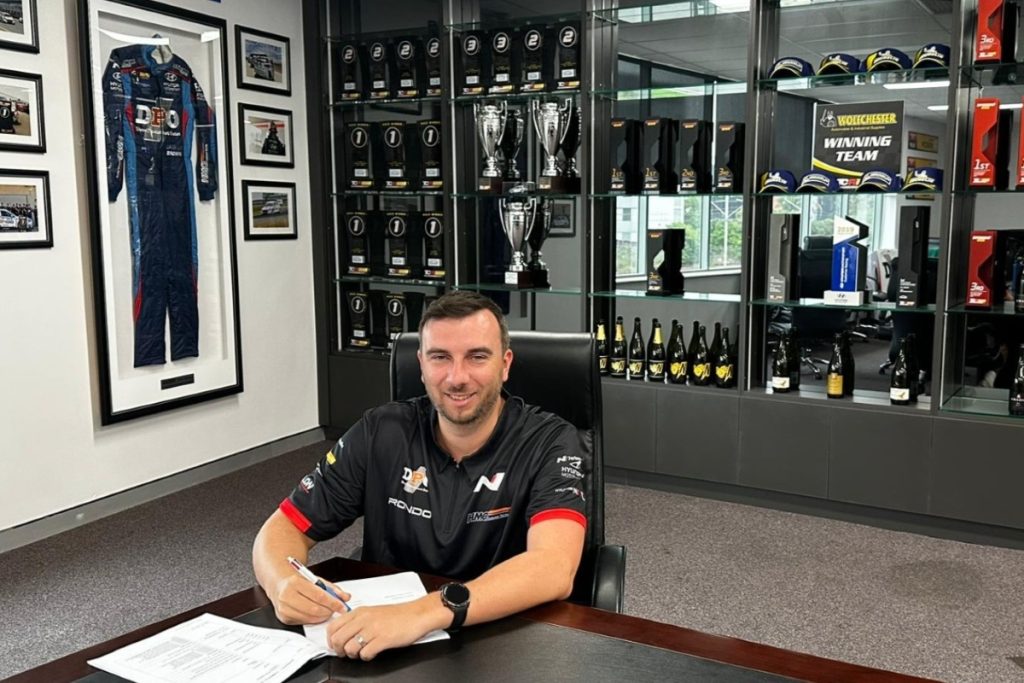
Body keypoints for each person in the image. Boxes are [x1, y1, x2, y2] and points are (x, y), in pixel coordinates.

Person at [252, 291, 587, 661]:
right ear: (421, 365)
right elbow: (283, 528)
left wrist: (421, 613)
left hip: (503, 641)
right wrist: (281, 582)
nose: (457, 378)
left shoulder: (549, 440)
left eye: (477, 357)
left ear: (505, 364)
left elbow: (554, 567)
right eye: (440, 357)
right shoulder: (381, 431)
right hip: (382, 645)